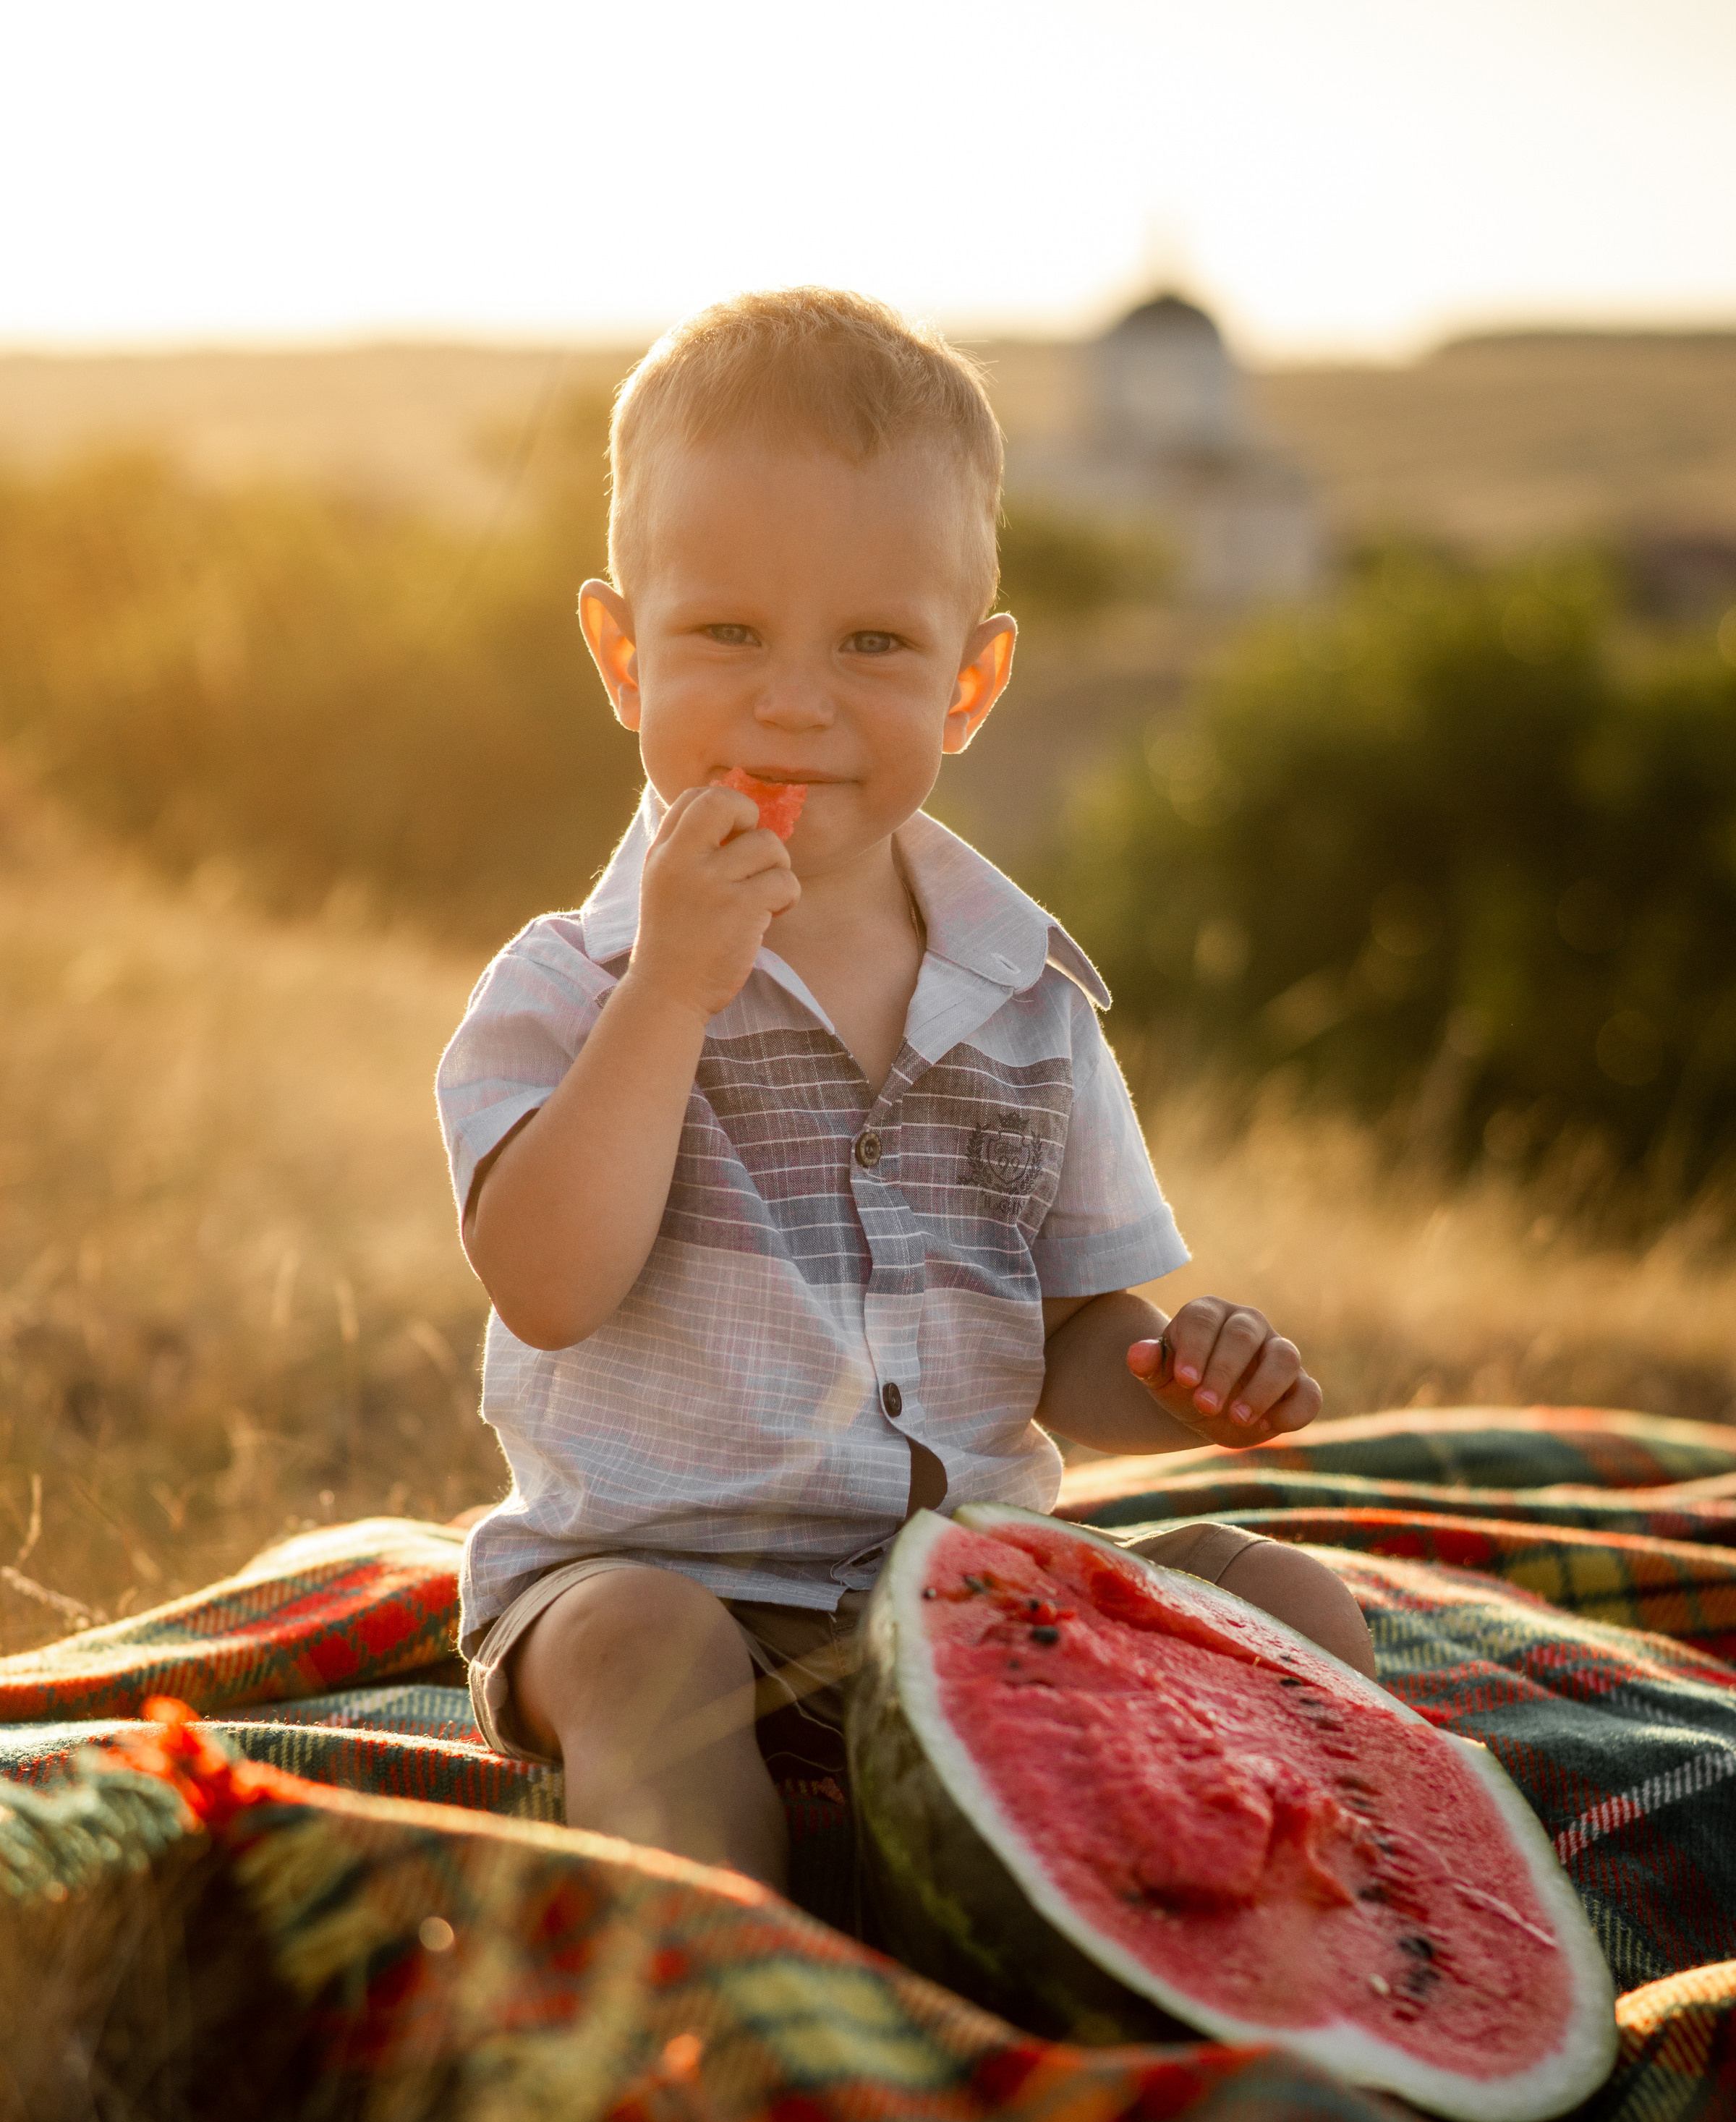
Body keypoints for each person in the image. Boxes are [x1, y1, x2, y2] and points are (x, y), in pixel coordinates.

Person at [435, 287, 1376, 1893]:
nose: (795, 699)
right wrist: (673, 994)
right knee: (650, 1657)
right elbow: (547, 1283)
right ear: (620, 654)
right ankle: (732, 1990)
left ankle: (1329, 1935)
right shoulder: (569, 987)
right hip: (645, 1578)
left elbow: (1069, 1337)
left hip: (969, 1602)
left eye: (873, 643)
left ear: (970, 683)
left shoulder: (1030, 1003)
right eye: (727, 633)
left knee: (1284, 1599)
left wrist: (1174, 1377)